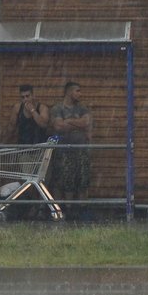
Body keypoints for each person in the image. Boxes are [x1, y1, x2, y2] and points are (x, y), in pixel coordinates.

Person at [50, 81, 93, 220]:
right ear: (69, 92)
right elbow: (58, 126)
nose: (80, 94)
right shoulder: (57, 108)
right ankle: (66, 209)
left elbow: (86, 122)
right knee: (64, 180)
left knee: (83, 180)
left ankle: (82, 209)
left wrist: (69, 121)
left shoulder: (82, 108)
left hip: (81, 149)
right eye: (77, 91)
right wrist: (77, 124)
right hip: (64, 151)